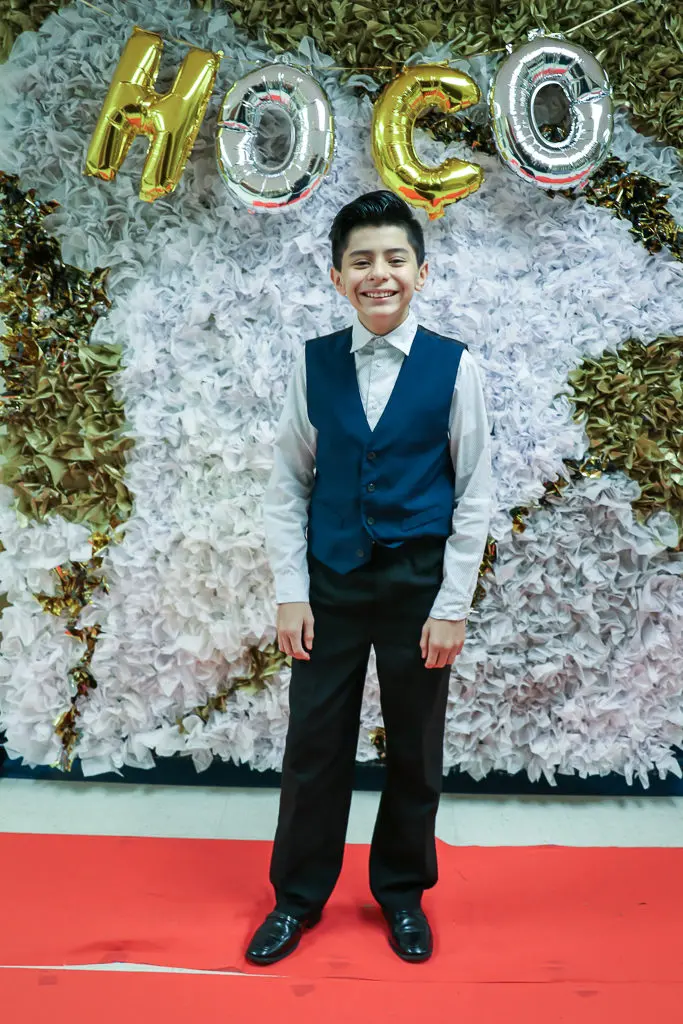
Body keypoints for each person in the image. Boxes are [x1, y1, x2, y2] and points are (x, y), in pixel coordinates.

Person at [246, 190, 492, 966]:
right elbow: (288, 481)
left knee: (415, 746)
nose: (377, 274)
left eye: (394, 258)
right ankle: (295, 898)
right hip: (332, 583)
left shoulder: (455, 366)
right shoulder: (313, 363)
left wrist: (451, 605)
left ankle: (402, 894)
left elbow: (474, 490)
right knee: (313, 744)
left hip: (418, 584)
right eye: (361, 261)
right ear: (336, 276)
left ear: (420, 272)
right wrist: (292, 591)